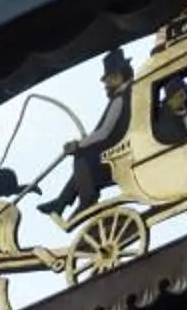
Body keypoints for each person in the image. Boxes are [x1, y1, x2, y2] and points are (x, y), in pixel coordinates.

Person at [54, 49, 133, 220]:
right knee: (84, 158)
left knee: (82, 157)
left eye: (111, 78)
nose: (107, 84)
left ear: (122, 75)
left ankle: (87, 200)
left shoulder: (120, 98)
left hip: (120, 150)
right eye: (107, 79)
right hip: (122, 145)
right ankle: (61, 202)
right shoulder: (126, 94)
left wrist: (78, 144)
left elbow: (104, 132)